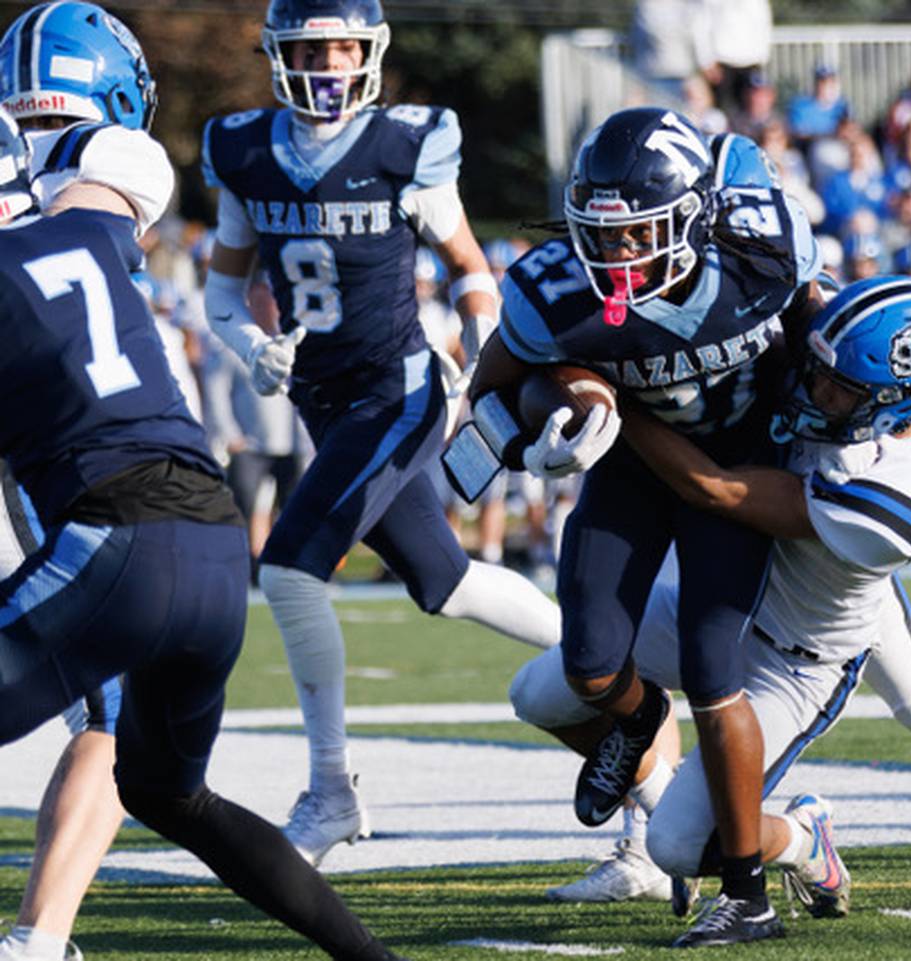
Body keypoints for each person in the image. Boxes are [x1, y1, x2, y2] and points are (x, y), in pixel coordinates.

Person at [510, 278, 911, 923]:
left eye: (839, 389)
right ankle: (665, 788)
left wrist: (624, 412)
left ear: (895, 405)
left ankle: (808, 838)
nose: (816, 389)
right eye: (819, 370)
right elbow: (791, 290)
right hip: (726, 601)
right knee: (542, 692)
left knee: (690, 841)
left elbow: (720, 491)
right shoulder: (843, 352)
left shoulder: (898, 494)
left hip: (806, 647)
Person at [0, 110, 410, 961]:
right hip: (218, 549)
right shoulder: (86, 224)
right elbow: (133, 161)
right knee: (168, 793)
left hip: (119, 537)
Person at [200, 0, 561, 867]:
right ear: (280, 55)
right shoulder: (244, 151)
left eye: (343, 47)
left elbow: (470, 267)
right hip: (324, 400)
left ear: (370, 52)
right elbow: (226, 289)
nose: (328, 65)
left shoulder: (407, 142)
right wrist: (252, 345)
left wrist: (480, 346)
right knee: (445, 582)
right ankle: (606, 661)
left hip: (398, 390)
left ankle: (331, 791)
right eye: (311, 48)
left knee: (287, 572)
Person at [466, 105, 825, 946]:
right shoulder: (554, 290)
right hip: (630, 466)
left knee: (713, 666)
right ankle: (634, 720)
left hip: (733, 469)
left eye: (640, 234)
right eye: (601, 234)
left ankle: (746, 892)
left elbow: (820, 335)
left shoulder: (761, 250)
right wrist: (542, 430)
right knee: (590, 667)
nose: (617, 255)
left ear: (697, 217)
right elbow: (492, 390)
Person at [0, 7, 169, 958]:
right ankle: (37, 939)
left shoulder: (55, 171)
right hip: (60, 454)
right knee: (118, 707)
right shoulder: (119, 152)